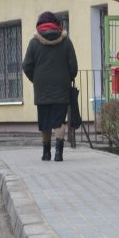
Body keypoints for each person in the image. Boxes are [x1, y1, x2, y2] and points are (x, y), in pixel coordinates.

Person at [22, 11, 78, 162]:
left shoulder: (34, 43)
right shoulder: (66, 42)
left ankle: (46, 153)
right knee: (59, 121)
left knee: (45, 121)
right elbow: (73, 66)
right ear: (57, 24)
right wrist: (67, 78)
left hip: (42, 87)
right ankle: (59, 154)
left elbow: (26, 66)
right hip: (61, 87)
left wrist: (35, 79)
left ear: (39, 25)